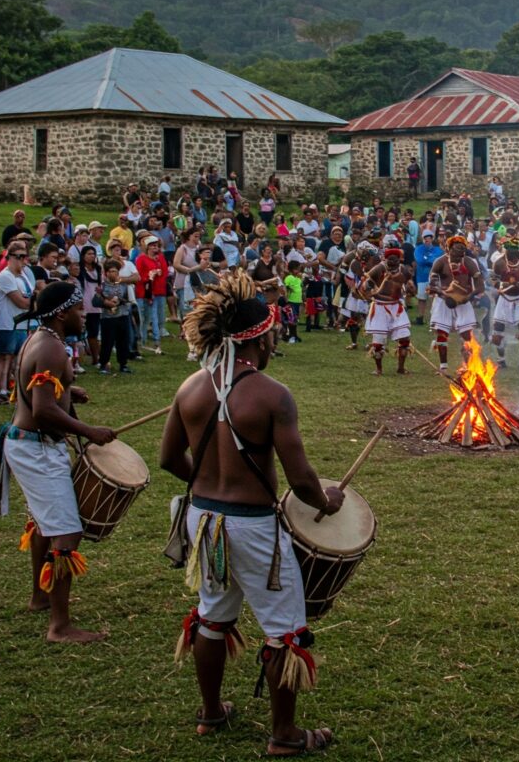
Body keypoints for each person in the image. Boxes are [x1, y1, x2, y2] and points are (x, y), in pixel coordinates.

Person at [160, 271, 342, 749]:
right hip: (255, 529)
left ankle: (211, 711)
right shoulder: (271, 394)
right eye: (271, 331)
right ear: (259, 337)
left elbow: (166, 459)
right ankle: (284, 734)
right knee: (285, 630)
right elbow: (302, 481)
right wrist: (328, 501)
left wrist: (204, 486)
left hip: (205, 521)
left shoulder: (190, 388)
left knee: (212, 616)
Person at [0, 281, 116, 642]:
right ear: (62, 313)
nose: (83, 315)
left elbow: (33, 389)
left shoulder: (42, 339)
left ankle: (40, 598)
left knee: (46, 525)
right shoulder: (51, 349)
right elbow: (43, 409)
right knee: (66, 531)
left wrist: (67, 388)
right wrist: (87, 430)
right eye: (79, 310)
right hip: (37, 447)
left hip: (28, 444)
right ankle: (59, 626)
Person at [0, 241, 37, 405]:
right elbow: (21, 302)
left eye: (25, 256)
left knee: (13, 357)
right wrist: (34, 302)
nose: (24, 260)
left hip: (21, 323)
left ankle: (5, 389)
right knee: (1, 356)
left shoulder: (23, 275)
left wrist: (32, 300)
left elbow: (30, 297)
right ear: (9, 257)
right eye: (20, 257)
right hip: (6, 322)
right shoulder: (5, 276)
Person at [428, 235, 484, 371]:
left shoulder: (470, 262)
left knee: (466, 336)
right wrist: (444, 295)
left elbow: (480, 286)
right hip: (443, 301)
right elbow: (432, 285)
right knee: (442, 334)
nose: (460, 252)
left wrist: (468, 297)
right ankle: (443, 367)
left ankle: (467, 366)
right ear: (449, 249)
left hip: (463, 302)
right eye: (457, 249)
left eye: (463, 249)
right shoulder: (440, 262)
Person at [361, 247, 415, 375]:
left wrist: (410, 288)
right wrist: (371, 292)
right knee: (378, 343)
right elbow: (365, 286)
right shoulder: (379, 269)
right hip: (380, 307)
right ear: (385, 259)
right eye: (390, 259)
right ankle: (378, 369)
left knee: (404, 339)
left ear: (399, 260)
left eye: (395, 259)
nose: (392, 262)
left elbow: (410, 287)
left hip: (396, 307)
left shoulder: (404, 270)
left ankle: (400, 368)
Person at [491, 236, 519, 369]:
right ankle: (501, 360)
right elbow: (494, 279)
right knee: (498, 329)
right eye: (509, 251)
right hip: (505, 299)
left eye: (514, 251)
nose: (511, 255)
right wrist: (503, 284)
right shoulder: (499, 263)